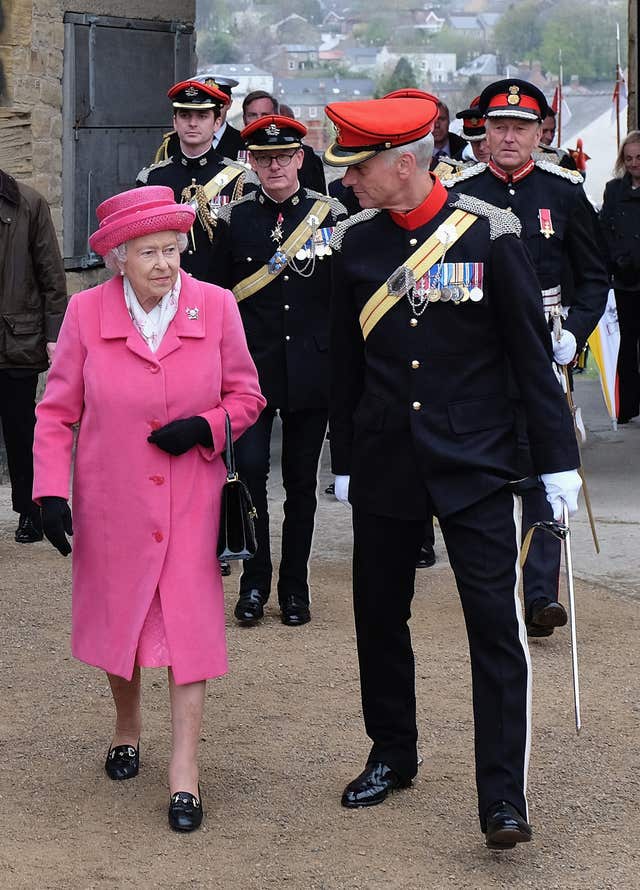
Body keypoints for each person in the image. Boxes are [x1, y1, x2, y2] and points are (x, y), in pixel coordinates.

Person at [323, 94, 581, 849]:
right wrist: (344, 459)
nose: (349, 181)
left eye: (360, 167)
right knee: (377, 616)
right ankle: (393, 753)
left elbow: (529, 357)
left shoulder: (491, 233)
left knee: (495, 630)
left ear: (405, 164)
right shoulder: (353, 242)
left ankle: (502, 798)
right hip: (384, 461)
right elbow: (346, 365)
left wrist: (555, 463)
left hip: (475, 460)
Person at [32, 186, 265, 832]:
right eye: (149, 253)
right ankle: (127, 725)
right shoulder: (84, 315)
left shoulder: (215, 308)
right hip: (114, 503)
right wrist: (49, 491)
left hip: (191, 500)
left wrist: (208, 427)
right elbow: (56, 413)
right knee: (122, 628)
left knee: (190, 631)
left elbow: (248, 397)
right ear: (118, 259)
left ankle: (184, 772)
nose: (165, 264)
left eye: (172, 250)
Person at [443, 78, 608, 637]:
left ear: (542, 133)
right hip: (481, 351)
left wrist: (577, 331)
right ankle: (494, 588)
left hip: (544, 344)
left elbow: (592, 275)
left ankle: (540, 594)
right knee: (488, 469)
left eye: (521, 127)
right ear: (483, 133)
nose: (509, 137)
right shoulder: (460, 194)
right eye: (498, 126)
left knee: (545, 468)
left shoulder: (564, 193)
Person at [210, 115, 346, 627]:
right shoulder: (235, 220)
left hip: (312, 370)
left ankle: (294, 587)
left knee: (301, 485)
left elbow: (343, 296)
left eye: (283, 157)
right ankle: (253, 582)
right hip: (252, 371)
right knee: (249, 476)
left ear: (299, 159)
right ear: (252, 162)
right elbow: (218, 296)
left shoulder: (329, 216)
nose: (273, 167)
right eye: (263, 159)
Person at [0, 168, 67, 544]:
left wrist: (54, 336)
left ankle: (31, 509)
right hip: (16, 336)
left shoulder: (28, 203)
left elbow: (51, 276)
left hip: (16, 339)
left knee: (22, 431)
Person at [137, 79, 250, 283]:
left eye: (202, 116)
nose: (192, 123)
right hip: (166, 288)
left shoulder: (242, 179)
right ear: (174, 121)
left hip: (219, 290)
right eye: (185, 115)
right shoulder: (151, 179)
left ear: (217, 122)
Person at [600, 130, 640, 423]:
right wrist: (617, 260)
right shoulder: (613, 190)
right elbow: (604, 232)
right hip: (625, 280)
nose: (635, 163)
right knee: (625, 346)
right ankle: (627, 405)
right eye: (629, 158)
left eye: (639, 157)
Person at [243, 91, 327, 194]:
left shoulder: (305, 155)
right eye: (252, 115)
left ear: (277, 116)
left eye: (265, 114)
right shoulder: (234, 149)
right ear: (244, 118)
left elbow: (317, 198)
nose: (259, 120)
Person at [430, 100, 467, 167]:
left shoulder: (463, 148)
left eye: (441, 119)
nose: (437, 125)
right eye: (432, 120)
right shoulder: (418, 152)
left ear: (449, 121)